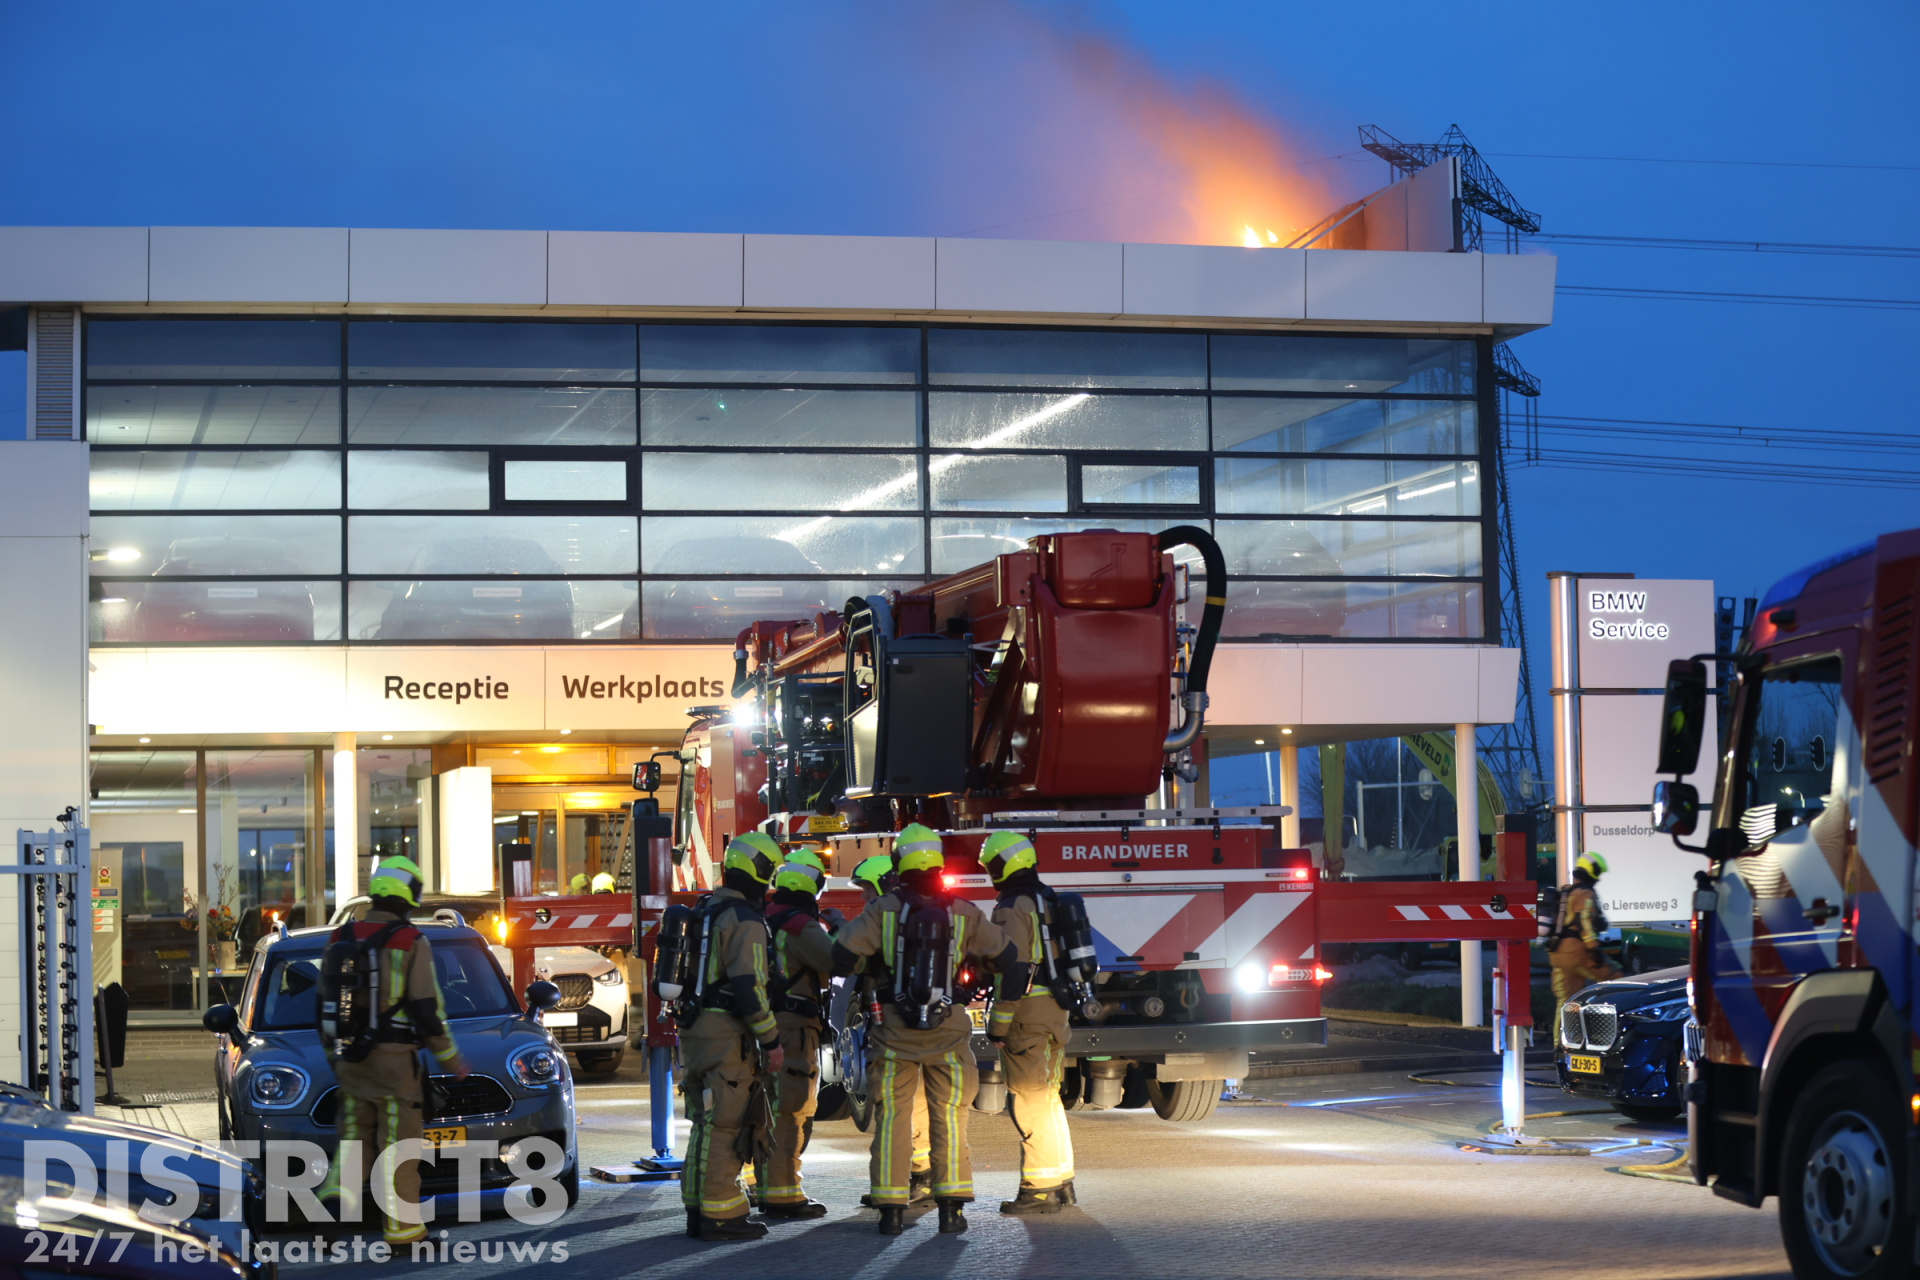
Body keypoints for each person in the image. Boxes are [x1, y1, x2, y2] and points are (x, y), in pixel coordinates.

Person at [832, 824, 1023, 1236]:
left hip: (892, 1031)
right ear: (938, 861)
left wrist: (876, 964)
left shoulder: (882, 909)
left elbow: (841, 957)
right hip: (949, 1030)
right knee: (950, 1117)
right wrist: (975, 981)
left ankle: (890, 1211)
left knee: (892, 1117)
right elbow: (1011, 960)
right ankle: (951, 1211)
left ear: (899, 861)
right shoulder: (963, 911)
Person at [316, 856, 471, 1247]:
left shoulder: (341, 937)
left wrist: (335, 1056)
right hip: (395, 1063)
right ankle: (404, 1233)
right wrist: (452, 1060)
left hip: (350, 1060)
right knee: (398, 1147)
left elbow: (325, 1003)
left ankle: (335, 1198)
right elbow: (427, 1010)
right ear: (410, 894)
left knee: (355, 1137)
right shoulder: (409, 941)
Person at [680, 832, 785, 1243]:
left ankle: (696, 1208)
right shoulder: (745, 920)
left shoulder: (704, 909)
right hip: (726, 1035)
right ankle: (721, 1214)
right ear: (761, 872)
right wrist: (771, 1040)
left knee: (703, 1123)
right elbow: (749, 986)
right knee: (726, 1124)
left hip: (694, 1030)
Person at [980, 830, 1077, 1215]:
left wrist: (998, 1025)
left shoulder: (1011, 907)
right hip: (1054, 1011)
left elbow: (1013, 969)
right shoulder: (1046, 897)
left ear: (1006, 865)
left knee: (1029, 1101)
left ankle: (1039, 1189)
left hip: (1027, 1017)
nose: (990, 872)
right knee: (1047, 1098)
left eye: (992, 864)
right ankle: (1061, 1181)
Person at [848, 854, 933, 1208]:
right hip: (911, 1022)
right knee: (914, 1101)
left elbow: (847, 957)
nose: (864, 896)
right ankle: (922, 1174)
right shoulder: (914, 916)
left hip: (898, 1025)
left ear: (884, 884)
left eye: (868, 888)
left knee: (898, 1103)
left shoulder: (884, 918)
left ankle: (913, 1178)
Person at [755, 848, 834, 1219]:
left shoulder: (763, 915)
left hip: (761, 1024)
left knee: (762, 1107)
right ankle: (783, 1194)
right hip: (793, 1028)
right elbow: (835, 962)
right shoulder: (801, 924)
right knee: (791, 1109)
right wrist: (841, 932)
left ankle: (758, 1183)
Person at [1550, 852, 1622, 1015]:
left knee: (1567, 1004)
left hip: (1558, 954)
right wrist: (1593, 949)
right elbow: (1584, 920)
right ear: (1591, 870)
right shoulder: (1585, 893)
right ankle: (1616, 1021)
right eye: (1598, 872)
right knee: (1617, 980)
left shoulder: (1566, 892)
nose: (1598, 878)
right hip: (1577, 953)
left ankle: (1562, 1033)